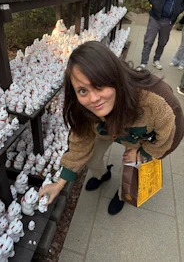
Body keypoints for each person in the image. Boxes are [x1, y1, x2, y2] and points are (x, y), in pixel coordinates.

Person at [39, 41, 184, 215]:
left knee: (132, 165)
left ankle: (122, 193)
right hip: (108, 130)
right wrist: (60, 183)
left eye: (99, 85)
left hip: (139, 138)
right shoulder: (83, 108)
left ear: (115, 76)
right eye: (82, 91)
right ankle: (102, 175)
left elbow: (170, 138)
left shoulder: (156, 102)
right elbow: (80, 142)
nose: (93, 99)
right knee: (92, 159)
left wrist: (143, 151)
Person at [136, 0, 184, 71]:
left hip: (169, 21)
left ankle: (156, 60)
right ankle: (143, 63)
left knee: (162, 42)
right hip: (155, 19)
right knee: (148, 41)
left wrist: (178, 10)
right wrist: (157, 6)